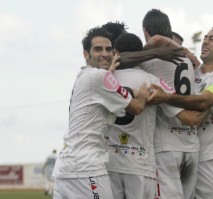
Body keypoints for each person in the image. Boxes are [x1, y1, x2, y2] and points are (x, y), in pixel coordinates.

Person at [52, 27, 151, 199]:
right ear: (86, 54)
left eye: (108, 49)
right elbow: (136, 107)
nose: (105, 54)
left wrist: (108, 73)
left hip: (65, 169)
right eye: (98, 49)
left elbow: (103, 85)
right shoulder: (100, 77)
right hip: (87, 168)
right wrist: (142, 95)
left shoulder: (83, 75)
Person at [107, 32, 205, 199]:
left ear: (115, 52)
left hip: (110, 164)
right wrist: (209, 101)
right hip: (139, 165)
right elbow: (189, 119)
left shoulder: (104, 79)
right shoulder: (151, 81)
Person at [148, 25, 213, 199]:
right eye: (205, 37)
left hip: (210, 157)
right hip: (187, 151)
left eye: (212, 39)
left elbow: (204, 101)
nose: (205, 41)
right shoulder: (192, 72)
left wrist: (166, 97)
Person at [140, 9, 205, 199]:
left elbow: (154, 42)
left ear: (145, 32)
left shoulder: (151, 59)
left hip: (166, 146)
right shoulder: (186, 59)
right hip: (192, 146)